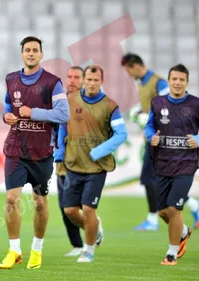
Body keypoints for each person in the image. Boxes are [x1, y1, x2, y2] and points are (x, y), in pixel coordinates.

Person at [0, 36, 70, 270]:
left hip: (41, 153)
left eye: (35, 50)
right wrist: (6, 116)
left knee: (39, 203)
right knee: (11, 199)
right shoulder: (11, 79)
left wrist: (34, 113)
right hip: (16, 150)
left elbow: (63, 114)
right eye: (27, 50)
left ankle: (37, 250)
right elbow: (9, 106)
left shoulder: (52, 83)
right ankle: (14, 250)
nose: (30, 53)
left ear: (41, 54)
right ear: (22, 54)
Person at [55, 65, 128, 262]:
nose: (92, 83)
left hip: (96, 168)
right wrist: (60, 151)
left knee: (88, 209)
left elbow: (122, 134)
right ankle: (94, 228)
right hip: (73, 164)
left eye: (96, 80)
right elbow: (63, 125)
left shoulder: (110, 106)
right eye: (89, 79)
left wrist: (100, 150)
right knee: (69, 210)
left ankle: (88, 250)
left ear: (101, 82)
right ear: (84, 80)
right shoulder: (71, 99)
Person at [122, 53, 199, 231]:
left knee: (150, 179)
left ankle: (152, 220)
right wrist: (141, 113)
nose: (128, 74)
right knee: (156, 180)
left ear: (135, 66)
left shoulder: (159, 82)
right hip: (154, 140)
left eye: (128, 70)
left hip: (165, 143)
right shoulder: (143, 83)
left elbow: (171, 110)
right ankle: (193, 208)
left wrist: (142, 118)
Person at [144, 63, 197, 266]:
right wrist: (151, 137)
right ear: (169, 81)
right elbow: (150, 126)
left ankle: (171, 254)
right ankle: (183, 232)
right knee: (163, 211)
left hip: (186, 163)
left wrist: (198, 140)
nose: (177, 83)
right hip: (163, 162)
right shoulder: (157, 102)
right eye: (174, 79)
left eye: (181, 80)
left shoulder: (195, 104)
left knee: (174, 208)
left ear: (186, 82)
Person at [56, 66, 84, 256]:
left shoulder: (89, 103)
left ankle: (93, 228)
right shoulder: (60, 100)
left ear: (83, 80)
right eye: (69, 76)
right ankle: (78, 245)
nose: (72, 80)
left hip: (83, 160)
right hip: (61, 159)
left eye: (76, 77)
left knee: (79, 205)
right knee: (64, 206)